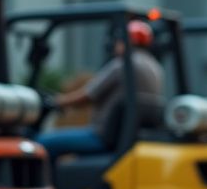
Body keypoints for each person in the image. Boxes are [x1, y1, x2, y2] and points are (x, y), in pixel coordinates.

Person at [39, 20, 164, 164]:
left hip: (101, 135)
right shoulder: (155, 68)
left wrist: (56, 101)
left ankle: (45, 183)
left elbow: (88, 95)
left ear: (125, 41)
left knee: (42, 142)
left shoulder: (122, 65)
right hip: (126, 136)